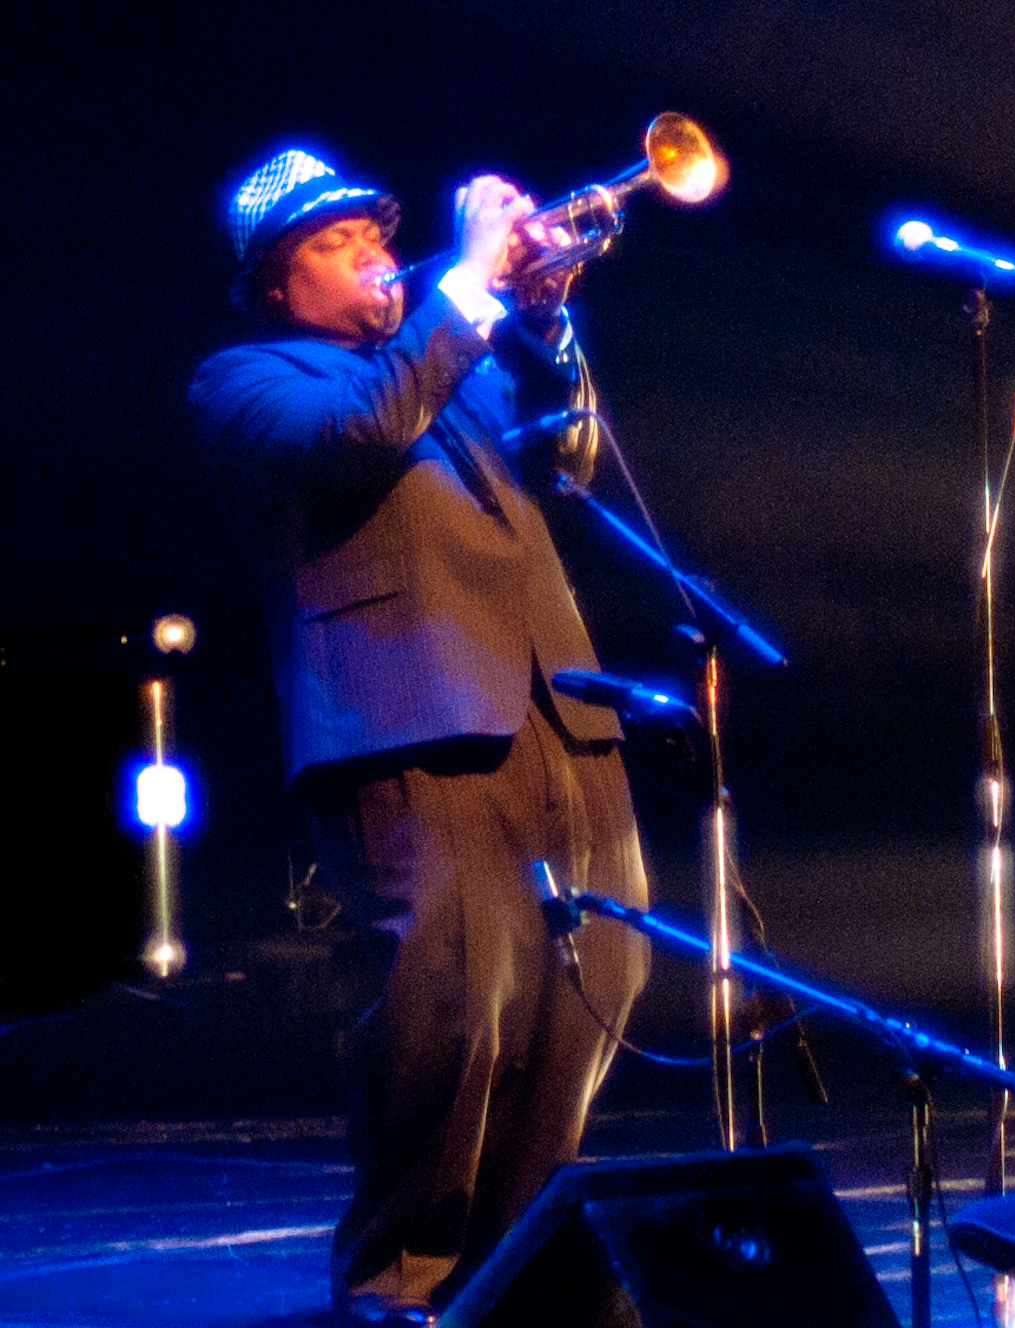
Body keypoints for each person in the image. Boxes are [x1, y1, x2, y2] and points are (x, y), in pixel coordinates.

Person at [190, 148, 650, 1326]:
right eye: (334, 245)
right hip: (406, 723)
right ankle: (398, 1282)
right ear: (277, 288)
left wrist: (543, 321)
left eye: (374, 234)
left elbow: (568, 455)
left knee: (593, 982)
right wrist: (471, 289)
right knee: (456, 1003)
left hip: (559, 705)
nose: (373, 254)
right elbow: (361, 431)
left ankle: (521, 1264)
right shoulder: (246, 379)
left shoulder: (459, 352)